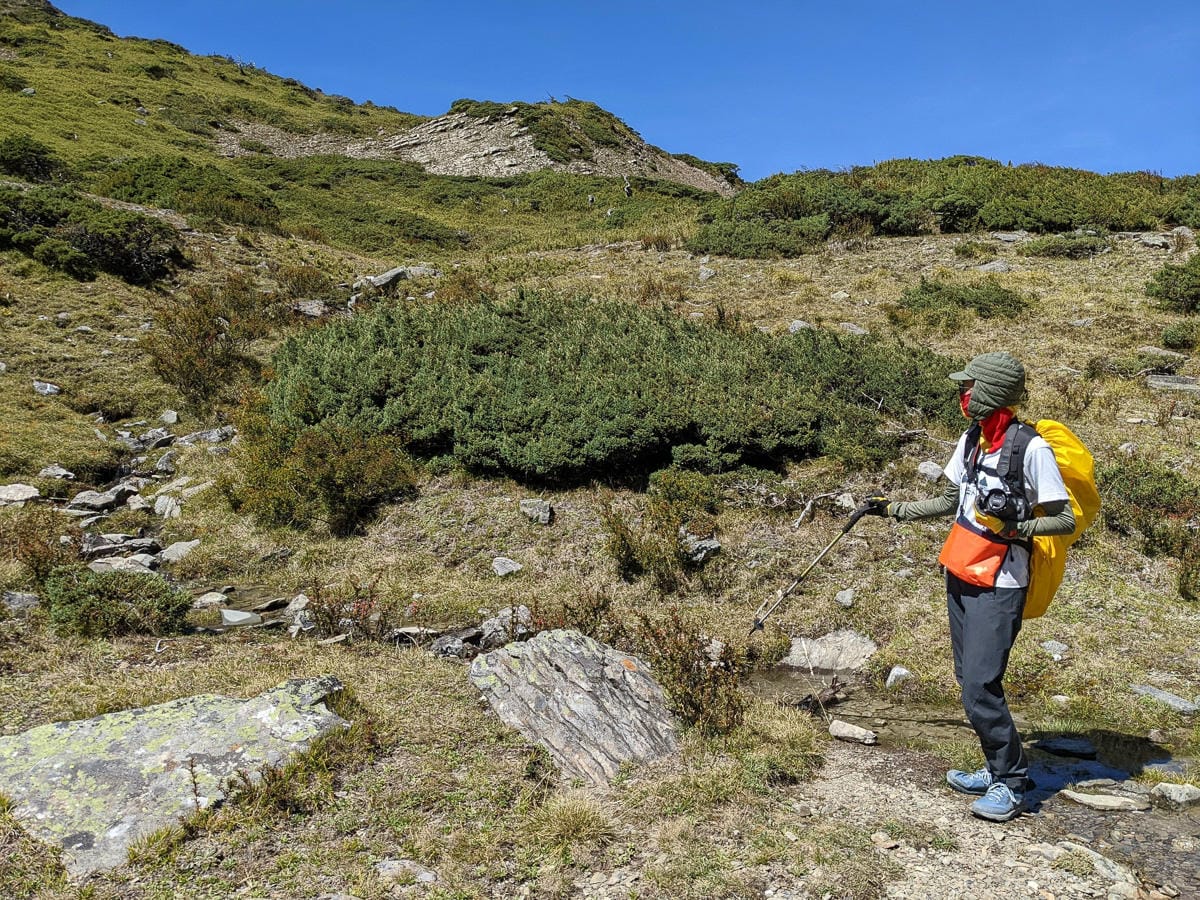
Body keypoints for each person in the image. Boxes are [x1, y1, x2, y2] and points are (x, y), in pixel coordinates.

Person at [864, 351, 1075, 822]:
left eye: (970, 388)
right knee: (968, 680)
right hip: (960, 569)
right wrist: (892, 509)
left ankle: (1012, 783)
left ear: (992, 394)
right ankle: (994, 766)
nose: (963, 395)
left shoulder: (1030, 449)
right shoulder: (973, 438)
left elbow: (1064, 519)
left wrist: (1016, 527)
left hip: (1001, 583)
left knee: (980, 683)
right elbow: (947, 500)